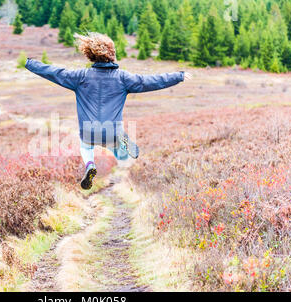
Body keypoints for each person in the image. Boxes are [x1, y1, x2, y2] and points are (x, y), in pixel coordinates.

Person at [25, 32, 192, 190]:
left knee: (85, 147)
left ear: (91, 54)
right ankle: (123, 141)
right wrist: (179, 76)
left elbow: (54, 72)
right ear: (112, 54)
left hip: (89, 133)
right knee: (120, 150)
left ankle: (90, 165)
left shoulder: (80, 76)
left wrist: (30, 63)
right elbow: (151, 81)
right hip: (112, 132)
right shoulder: (123, 78)